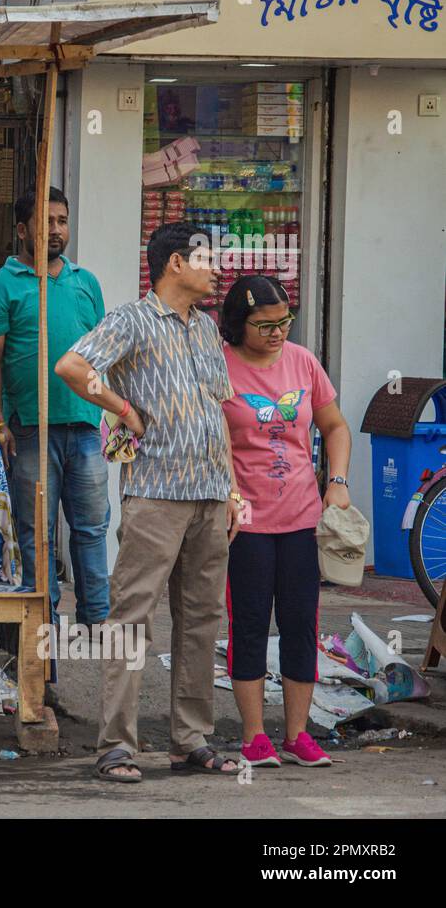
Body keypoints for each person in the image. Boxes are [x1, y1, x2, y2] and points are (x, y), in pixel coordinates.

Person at [56, 222, 242, 782]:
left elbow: (218, 411)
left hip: (209, 492)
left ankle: (191, 740)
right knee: (133, 618)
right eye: (207, 259)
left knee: (202, 620)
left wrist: (233, 488)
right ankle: (115, 744)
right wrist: (124, 408)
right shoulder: (133, 318)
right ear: (175, 264)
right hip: (156, 493)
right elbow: (72, 366)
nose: (217, 270)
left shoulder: (208, 329)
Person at [220, 275, 351, 768]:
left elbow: (334, 425)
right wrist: (228, 494)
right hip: (245, 521)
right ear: (239, 324)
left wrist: (337, 479)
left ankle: (297, 733)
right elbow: (213, 441)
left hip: (301, 516)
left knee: (300, 624)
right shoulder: (221, 367)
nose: (277, 333)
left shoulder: (302, 362)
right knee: (250, 625)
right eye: (265, 325)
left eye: (284, 322)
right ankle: (254, 736)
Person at [0, 188, 110, 635]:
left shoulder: (84, 282)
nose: (54, 229)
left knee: (91, 529)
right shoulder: (0, 285)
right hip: (31, 429)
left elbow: (103, 353)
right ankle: (41, 627)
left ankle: (96, 623)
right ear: (21, 230)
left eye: (61, 220)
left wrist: (108, 412)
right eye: (44, 221)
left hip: (86, 426)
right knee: (37, 534)